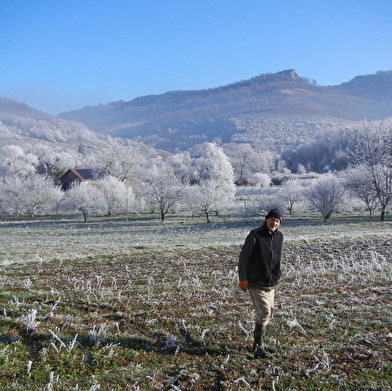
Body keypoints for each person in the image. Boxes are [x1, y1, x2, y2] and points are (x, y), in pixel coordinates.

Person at [238, 208, 283, 358]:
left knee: (269, 313)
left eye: (277, 221)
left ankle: (259, 344)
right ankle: (258, 346)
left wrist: (277, 275)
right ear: (266, 220)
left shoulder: (279, 236)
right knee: (264, 312)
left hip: (271, 281)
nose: (274, 223)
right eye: (272, 220)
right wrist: (243, 278)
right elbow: (244, 258)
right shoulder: (255, 235)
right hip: (255, 281)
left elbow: (277, 258)